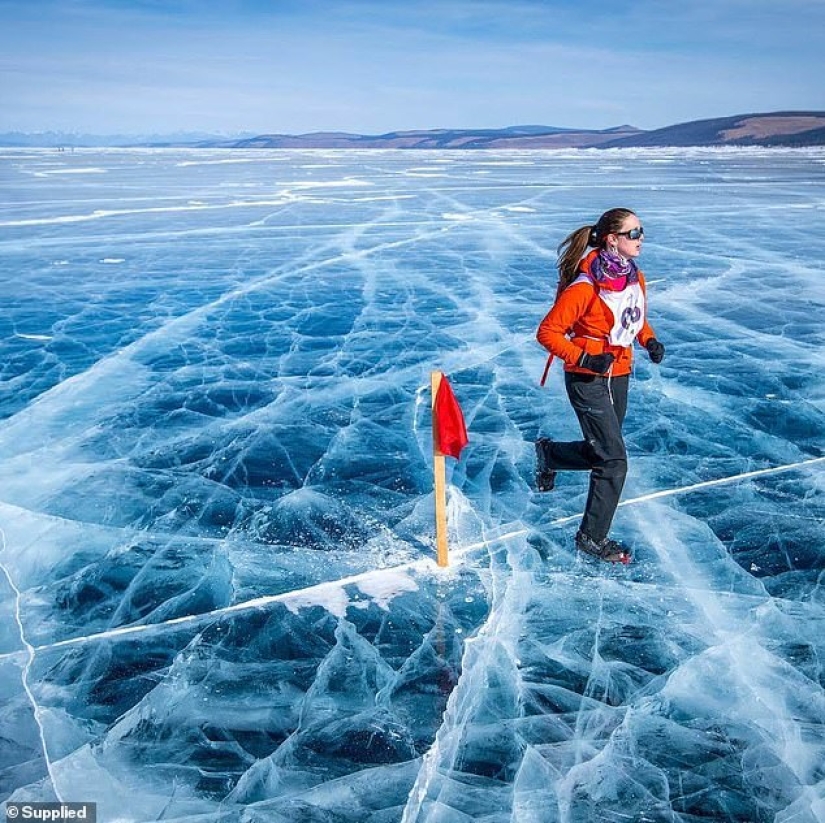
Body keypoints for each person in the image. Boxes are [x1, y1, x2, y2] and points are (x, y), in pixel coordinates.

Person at [535, 208, 665, 563]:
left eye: (641, 231)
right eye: (634, 233)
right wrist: (584, 359)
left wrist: (649, 340)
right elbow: (547, 332)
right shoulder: (585, 285)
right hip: (587, 378)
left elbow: (634, 318)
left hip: (618, 372)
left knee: (602, 451)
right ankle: (591, 538)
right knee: (614, 461)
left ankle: (551, 455)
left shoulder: (634, 277)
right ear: (612, 239)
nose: (641, 238)